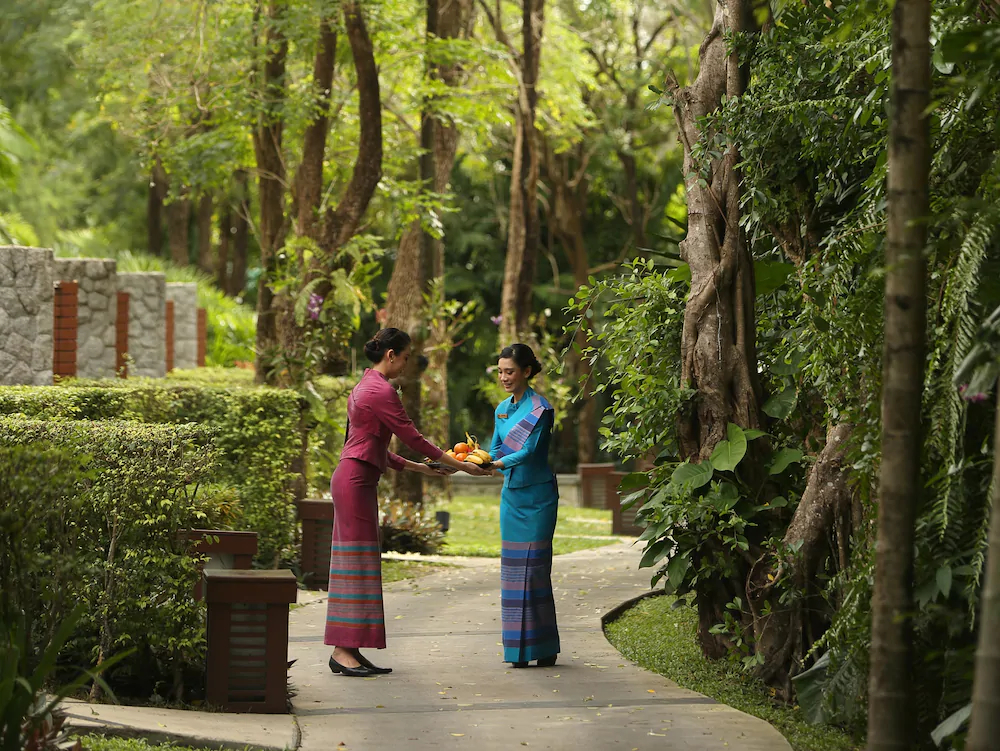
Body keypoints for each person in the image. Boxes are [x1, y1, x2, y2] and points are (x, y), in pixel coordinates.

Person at [325, 328, 489, 678]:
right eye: (406, 357)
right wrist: (462, 466)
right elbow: (413, 438)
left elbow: (375, 448)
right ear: (391, 355)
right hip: (354, 481)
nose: (407, 363)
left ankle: (349, 647)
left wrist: (423, 469)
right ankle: (342, 650)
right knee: (355, 564)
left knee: (359, 562)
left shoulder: (365, 386)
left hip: (355, 478)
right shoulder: (381, 390)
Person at [489, 343, 560, 668]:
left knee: (534, 572)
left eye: (510, 372)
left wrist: (497, 465)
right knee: (514, 574)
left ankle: (543, 648)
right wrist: (472, 462)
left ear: (526, 372)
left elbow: (529, 452)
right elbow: (495, 448)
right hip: (511, 499)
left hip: (538, 499)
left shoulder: (540, 409)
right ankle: (518, 652)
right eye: (500, 372)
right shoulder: (502, 409)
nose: (504, 377)